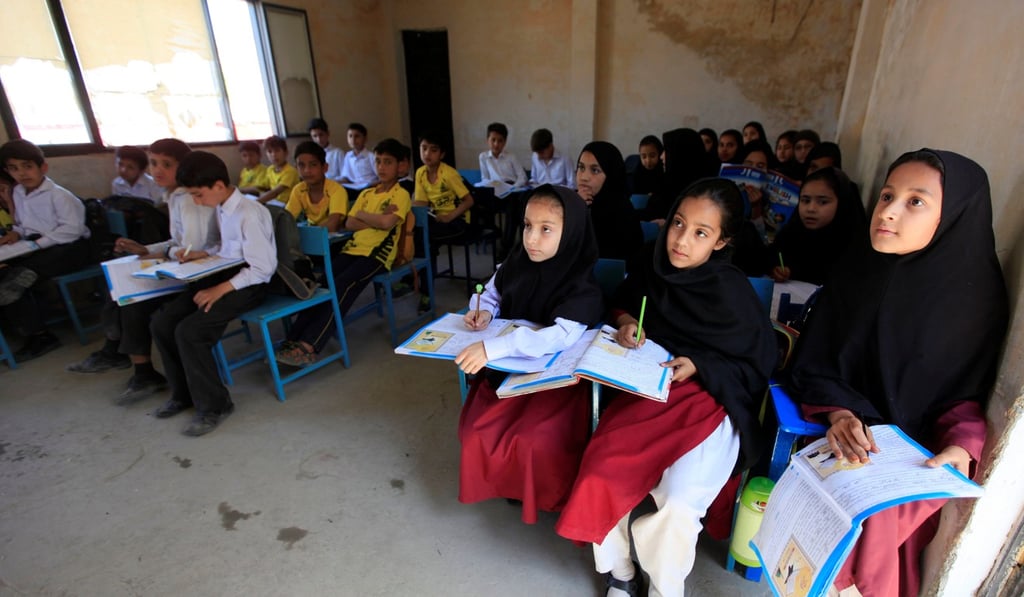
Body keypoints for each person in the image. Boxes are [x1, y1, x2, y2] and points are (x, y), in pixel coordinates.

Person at [788, 149, 1008, 597]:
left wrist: (963, 445)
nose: (887, 211)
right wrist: (839, 412)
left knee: (875, 525)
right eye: (888, 195)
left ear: (954, 216)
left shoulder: (972, 299)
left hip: (912, 448)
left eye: (916, 201)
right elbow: (817, 360)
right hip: (841, 435)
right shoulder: (857, 270)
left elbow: (960, 395)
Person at [555, 178, 776, 597]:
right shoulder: (649, 264)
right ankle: (620, 571)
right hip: (649, 394)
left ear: (721, 241)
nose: (681, 240)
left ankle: (664, 586)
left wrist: (701, 365)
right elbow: (622, 302)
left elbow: (756, 365)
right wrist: (625, 323)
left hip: (711, 403)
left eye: (700, 232)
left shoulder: (731, 292)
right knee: (600, 471)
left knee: (679, 502)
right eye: (678, 223)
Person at [455, 184, 604, 524]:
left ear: (570, 234)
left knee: (535, 439)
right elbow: (490, 294)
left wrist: (495, 346)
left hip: (555, 383)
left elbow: (558, 336)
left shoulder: (581, 282)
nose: (532, 239)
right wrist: (483, 312)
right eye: (527, 226)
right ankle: (510, 485)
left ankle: (541, 497)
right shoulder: (515, 264)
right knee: (477, 432)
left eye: (546, 229)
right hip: (509, 372)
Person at [68, 139, 221, 408]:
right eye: (153, 163)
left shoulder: (189, 199)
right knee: (124, 291)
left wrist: (162, 254)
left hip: (197, 273)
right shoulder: (174, 197)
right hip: (184, 267)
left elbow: (190, 249)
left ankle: (137, 368)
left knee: (133, 299)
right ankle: (137, 367)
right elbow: (177, 243)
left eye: (167, 164)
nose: (158, 170)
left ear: (184, 167)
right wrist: (144, 250)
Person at [150, 151, 276, 436]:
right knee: (162, 323)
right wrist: (202, 254)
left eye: (197, 194)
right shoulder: (221, 208)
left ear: (219, 185)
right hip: (224, 273)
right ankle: (182, 395)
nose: (196, 201)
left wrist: (220, 288)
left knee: (190, 332)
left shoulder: (250, 213)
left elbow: (263, 268)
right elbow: (226, 247)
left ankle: (215, 406)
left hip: (250, 284)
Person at [274, 139, 411, 366]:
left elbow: (387, 223)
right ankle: (292, 339)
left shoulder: (401, 194)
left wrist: (366, 217)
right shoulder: (367, 193)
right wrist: (374, 219)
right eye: (378, 161)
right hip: (353, 249)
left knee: (342, 285)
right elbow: (349, 223)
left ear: (400, 166)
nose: (382, 167)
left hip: (377, 255)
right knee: (322, 284)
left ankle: (310, 345)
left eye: (388, 162)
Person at [0, 139, 90, 360]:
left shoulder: (59, 195)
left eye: (27, 166)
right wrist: (16, 233)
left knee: (16, 279)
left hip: (69, 248)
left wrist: (37, 244)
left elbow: (73, 230)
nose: (21, 173)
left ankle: (41, 337)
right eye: (14, 168)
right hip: (36, 247)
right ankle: (31, 330)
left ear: (43, 167)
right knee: (6, 274)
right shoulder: (19, 192)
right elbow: (24, 223)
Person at [769, 167, 866, 285]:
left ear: (842, 204)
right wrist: (775, 270)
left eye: (823, 202)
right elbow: (770, 259)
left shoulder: (853, 246)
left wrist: (796, 272)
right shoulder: (789, 236)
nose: (811, 209)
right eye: (805, 200)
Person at [576, 142, 643, 266]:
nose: (584, 177)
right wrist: (575, 209)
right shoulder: (570, 204)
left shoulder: (623, 214)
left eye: (595, 170)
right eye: (581, 167)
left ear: (612, 175)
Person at [645, 129, 717, 224]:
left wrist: (669, 225)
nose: (661, 156)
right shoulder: (667, 183)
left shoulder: (701, 195)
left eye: (667, 151)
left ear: (681, 154)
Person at [285, 140, 348, 232]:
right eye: (301, 165)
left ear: (325, 167)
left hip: (334, 239)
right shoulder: (298, 190)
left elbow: (332, 225)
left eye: (313, 165)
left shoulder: (336, 190)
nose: (307, 170)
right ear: (296, 168)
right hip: (312, 233)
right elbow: (286, 220)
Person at [478, 122, 527, 188]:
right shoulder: (483, 157)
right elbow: (485, 179)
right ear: (487, 140)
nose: (496, 144)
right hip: (494, 188)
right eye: (493, 140)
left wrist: (512, 188)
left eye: (500, 141)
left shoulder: (511, 157)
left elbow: (522, 177)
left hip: (511, 187)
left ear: (505, 142)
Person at [257, 135, 299, 205]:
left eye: (277, 150)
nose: (273, 155)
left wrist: (256, 202)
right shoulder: (270, 169)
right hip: (275, 203)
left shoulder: (290, 171)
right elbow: (264, 186)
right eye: (270, 151)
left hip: (288, 205)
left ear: (286, 153)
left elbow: (276, 192)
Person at [339, 122, 378, 192]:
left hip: (369, 187)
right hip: (353, 187)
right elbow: (346, 178)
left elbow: (380, 177)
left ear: (365, 138)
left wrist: (370, 185)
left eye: (357, 136)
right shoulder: (348, 156)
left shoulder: (371, 156)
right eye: (350, 136)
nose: (353, 140)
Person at [307, 117, 345, 183]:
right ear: (311, 137)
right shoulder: (309, 155)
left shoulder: (338, 153)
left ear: (328, 134)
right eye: (315, 136)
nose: (318, 139)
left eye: (321, 135)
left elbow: (344, 177)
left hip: (334, 187)